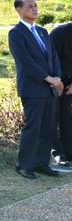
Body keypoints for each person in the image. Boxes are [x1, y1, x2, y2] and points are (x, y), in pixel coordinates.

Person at [8, 0, 63, 179]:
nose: (35, 8)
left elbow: (53, 56)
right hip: (33, 88)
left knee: (48, 127)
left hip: (50, 88)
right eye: (30, 6)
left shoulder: (42, 31)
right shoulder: (16, 33)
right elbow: (25, 61)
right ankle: (24, 164)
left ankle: (41, 162)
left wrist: (57, 77)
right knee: (33, 126)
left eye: (36, 5)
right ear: (19, 10)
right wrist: (48, 78)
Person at [49, 21, 72, 165]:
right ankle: (57, 151)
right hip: (53, 79)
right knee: (52, 116)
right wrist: (57, 81)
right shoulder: (59, 33)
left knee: (67, 116)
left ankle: (69, 152)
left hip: (70, 80)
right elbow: (49, 58)